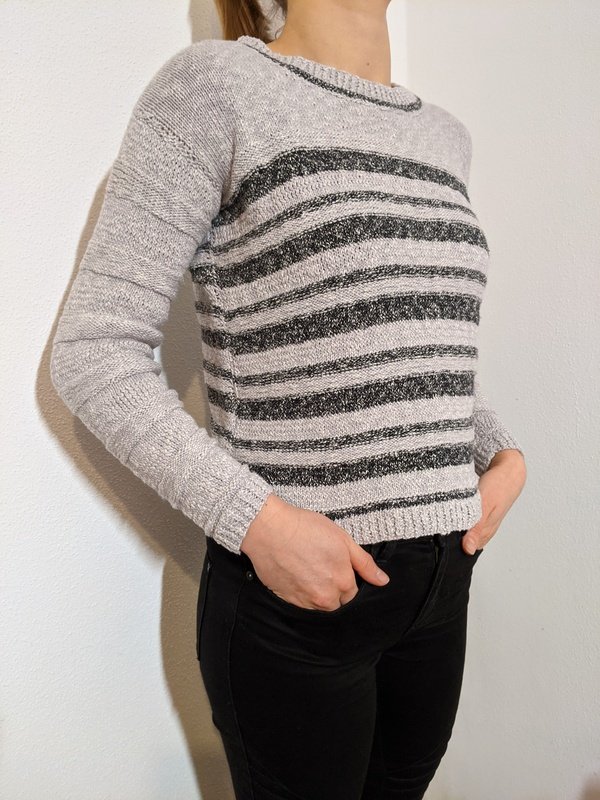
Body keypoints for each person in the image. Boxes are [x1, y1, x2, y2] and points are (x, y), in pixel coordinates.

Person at [50, 0, 527, 797]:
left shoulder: (445, 136)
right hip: (300, 603)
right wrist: (257, 522)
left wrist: (499, 451)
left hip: (443, 588)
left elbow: (400, 345)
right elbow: (94, 349)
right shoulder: (217, 87)